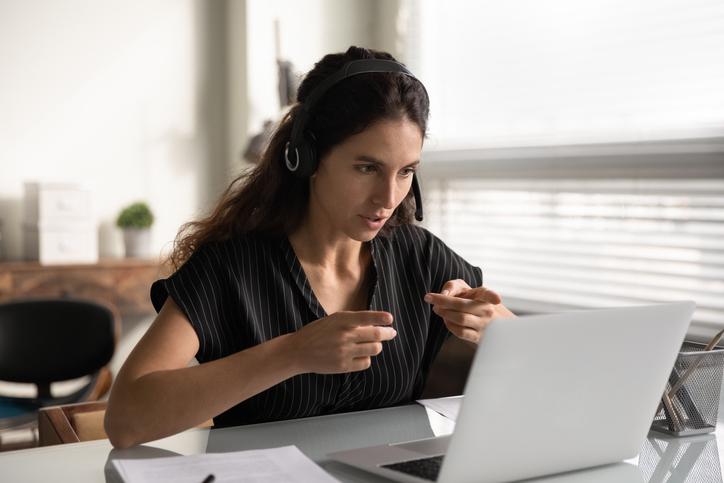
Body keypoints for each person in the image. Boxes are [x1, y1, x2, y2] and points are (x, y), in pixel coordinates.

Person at [104, 46, 515, 449]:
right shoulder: (231, 267)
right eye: (367, 168)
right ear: (307, 159)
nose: (388, 198)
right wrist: (293, 352)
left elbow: (530, 362)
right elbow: (125, 420)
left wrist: (497, 330)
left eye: (406, 172)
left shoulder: (420, 256)